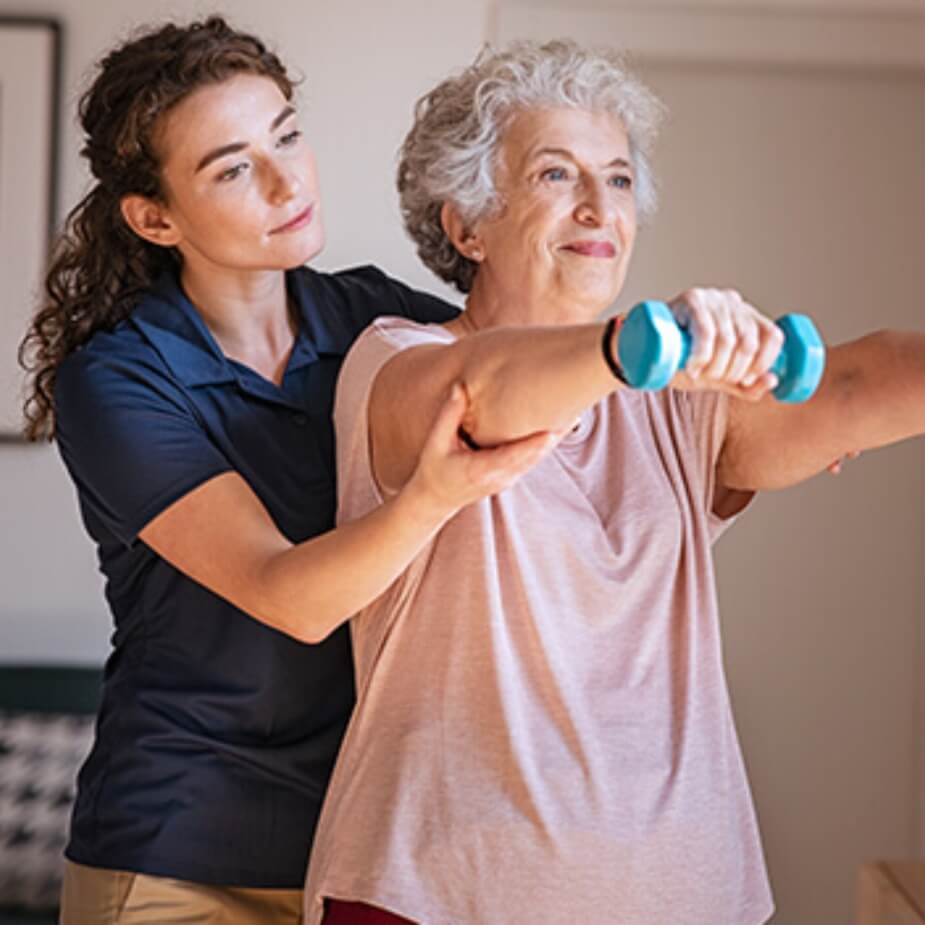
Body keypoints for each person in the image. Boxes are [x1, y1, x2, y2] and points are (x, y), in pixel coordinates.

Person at [303, 40, 925, 925]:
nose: (600, 206)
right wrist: (635, 341)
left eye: (620, 179)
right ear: (465, 224)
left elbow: (860, 384)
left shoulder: (677, 401)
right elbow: (485, 394)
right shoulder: (398, 359)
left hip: (685, 899)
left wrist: (658, 354)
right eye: (556, 175)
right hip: (436, 899)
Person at [18, 18, 553, 925]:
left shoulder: (373, 320)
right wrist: (432, 494)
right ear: (154, 218)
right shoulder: (116, 380)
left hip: (358, 850)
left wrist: (713, 424)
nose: (286, 179)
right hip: (179, 858)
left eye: (287, 135)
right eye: (232, 167)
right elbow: (291, 597)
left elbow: (516, 374)